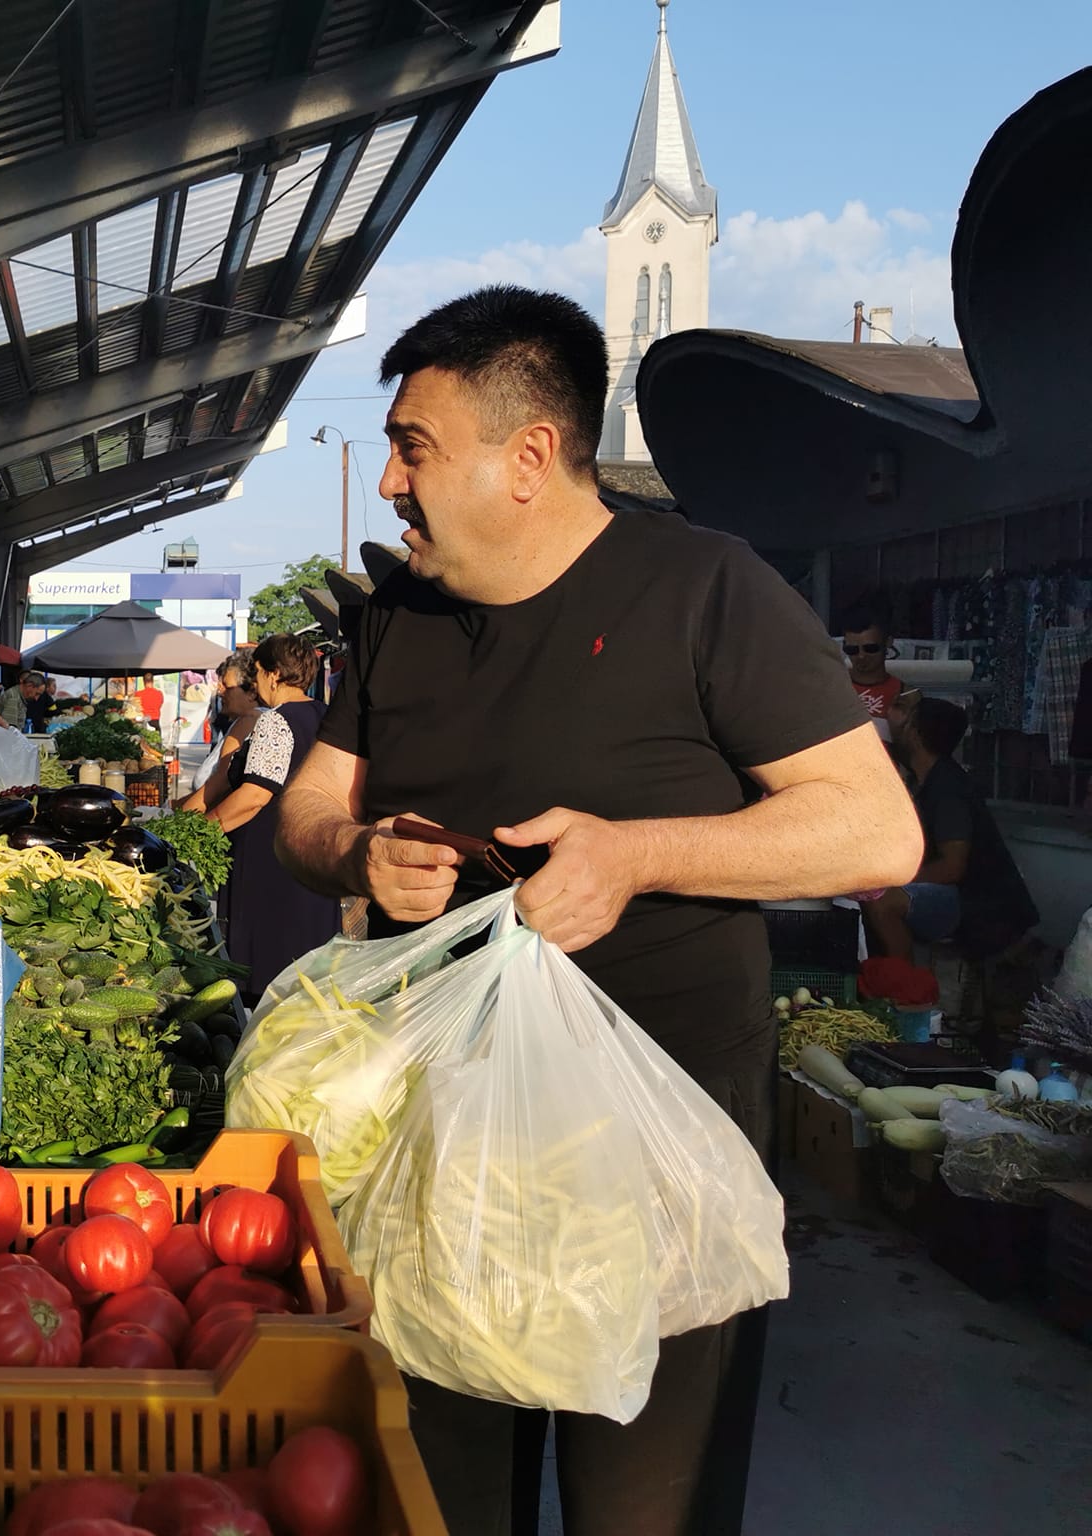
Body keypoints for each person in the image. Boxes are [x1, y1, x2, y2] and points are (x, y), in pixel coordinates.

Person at [272, 285, 921, 1536]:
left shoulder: (704, 589)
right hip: (433, 1154)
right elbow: (307, 807)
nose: (390, 484)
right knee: (439, 1498)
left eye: (413, 449)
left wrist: (637, 854)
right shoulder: (399, 616)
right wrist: (351, 853)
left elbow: (871, 828)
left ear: (527, 457)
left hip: (657, 1157)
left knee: (644, 1508)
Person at [190, 635, 338, 1002]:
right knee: (306, 981)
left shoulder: (276, 721)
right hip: (312, 861)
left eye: (256, 672)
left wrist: (201, 831)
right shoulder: (327, 716)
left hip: (270, 869)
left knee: (267, 977)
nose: (254, 683)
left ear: (274, 674)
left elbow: (254, 796)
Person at [863, 694, 1037, 962]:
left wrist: (893, 882)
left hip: (980, 909)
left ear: (915, 733)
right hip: (971, 901)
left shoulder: (947, 789)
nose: (892, 721)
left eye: (903, 715)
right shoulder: (927, 780)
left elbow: (952, 867)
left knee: (882, 901)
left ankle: (902, 982)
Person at [183, 654, 259, 799]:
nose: (220, 692)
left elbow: (221, 783)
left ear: (251, 692)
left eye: (227, 687)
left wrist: (178, 807)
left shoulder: (250, 720)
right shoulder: (240, 721)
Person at [840, 604, 905, 722]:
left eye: (870, 648)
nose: (861, 656)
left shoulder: (905, 695)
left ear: (888, 642)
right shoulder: (832, 688)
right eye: (852, 650)